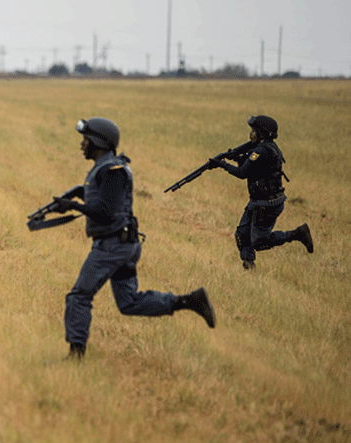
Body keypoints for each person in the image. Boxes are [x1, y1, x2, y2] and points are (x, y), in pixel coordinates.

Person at [54, 117, 216, 360]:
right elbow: (104, 198)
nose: (82, 145)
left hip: (112, 247)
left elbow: (105, 212)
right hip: (123, 244)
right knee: (128, 303)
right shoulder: (109, 166)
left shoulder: (112, 170)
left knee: (79, 296)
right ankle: (190, 301)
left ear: (98, 142)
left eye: (85, 140)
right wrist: (78, 192)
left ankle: (76, 356)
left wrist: (75, 206)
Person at [208, 115, 314, 270]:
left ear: (263, 133)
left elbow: (242, 173)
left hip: (268, 204)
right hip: (257, 201)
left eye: (254, 130)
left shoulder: (262, 151)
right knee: (242, 235)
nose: (251, 134)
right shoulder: (263, 149)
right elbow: (251, 167)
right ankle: (249, 266)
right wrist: (236, 157)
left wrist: (222, 164)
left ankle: (297, 234)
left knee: (260, 242)